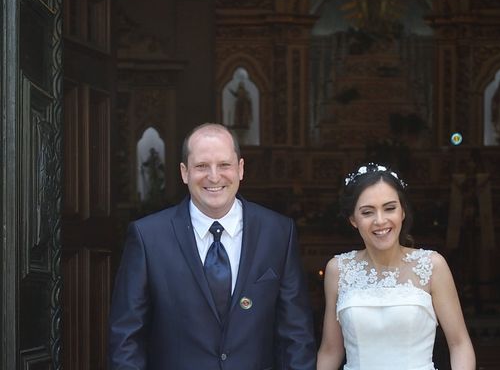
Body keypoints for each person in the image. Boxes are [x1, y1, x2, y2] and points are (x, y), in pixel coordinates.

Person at [109, 123, 316, 369]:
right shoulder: (147, 236)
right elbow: (126, 337)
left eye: (224, 165)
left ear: (240, 169)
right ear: (184, 172)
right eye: (201, 166)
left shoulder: (278, 232)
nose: (214, 176)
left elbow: (296, 335)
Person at [317, 163, 475, 370]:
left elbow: (459, 343)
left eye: (390, 208)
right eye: (367, 212)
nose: (380, 221)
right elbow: (331, 350)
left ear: (402, 212)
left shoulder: (432, 265)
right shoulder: (338, 269)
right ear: (353, 220)